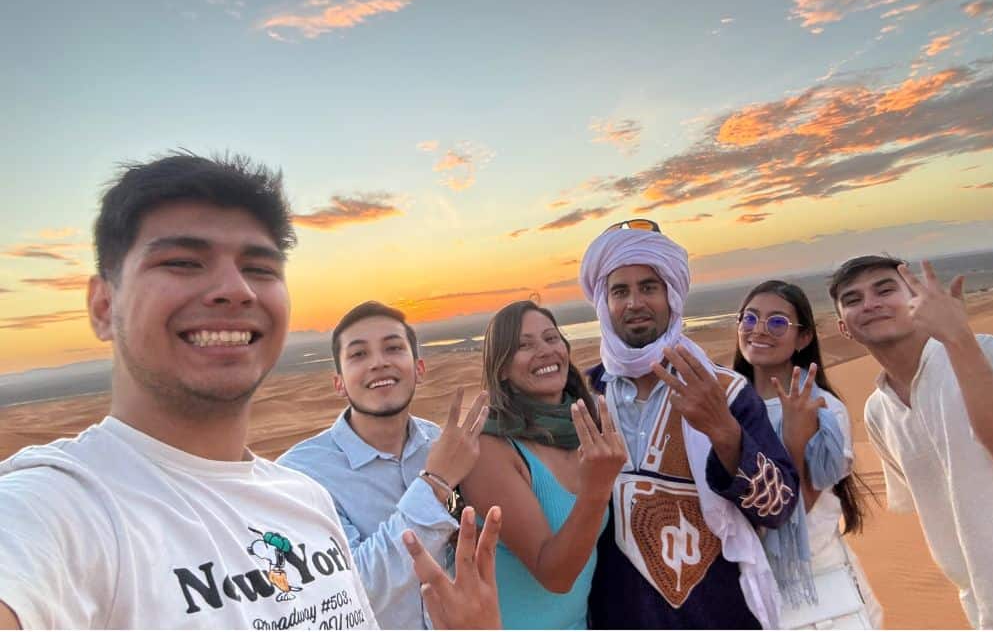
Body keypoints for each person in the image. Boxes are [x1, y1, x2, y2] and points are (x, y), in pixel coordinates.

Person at [0, 152, 500, 630]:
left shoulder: (303, 499)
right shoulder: (61, 506)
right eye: (182, 261)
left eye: (260, 268)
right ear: (104, 305)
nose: (236, 288)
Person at [579, 219, 800, 629]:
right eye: (619, 291)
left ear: (672, 296)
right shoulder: (583, 398)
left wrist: (724, 432)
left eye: (648, 287)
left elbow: (779, 506)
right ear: (603, 304)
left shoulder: (727, 391)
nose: (634, 303)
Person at [278, 301, 488, 629]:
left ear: (419, 368)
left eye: (393, 348)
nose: (378, 363)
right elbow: (350, 590)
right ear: (339, 383)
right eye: (358, 354)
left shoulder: (443, 445)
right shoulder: (300, 474)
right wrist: (436, 482)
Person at [829, 255, 993, 629]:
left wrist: (958, 337)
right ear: (844, 327)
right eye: (853, 299)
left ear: (917, 300)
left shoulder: (988, 353)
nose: (870, 303)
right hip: (983, 605)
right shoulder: (878, 410)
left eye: (885, 289)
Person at [461, 300, 627, 629]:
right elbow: (554, 575)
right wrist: (596, 490)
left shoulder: (586, 427)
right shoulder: (490, 447)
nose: (545, 351)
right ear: (502, 368)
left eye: (552, 339)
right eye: (524, 345)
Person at [732, 280, 882, 628]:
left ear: (803, 338)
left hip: (820, 590)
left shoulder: (824, 410)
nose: (760, 330)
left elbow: (793, 509)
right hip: (746, 589)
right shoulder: (727, 408)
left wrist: (794, 443)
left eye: (778, 322)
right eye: (750, 319)